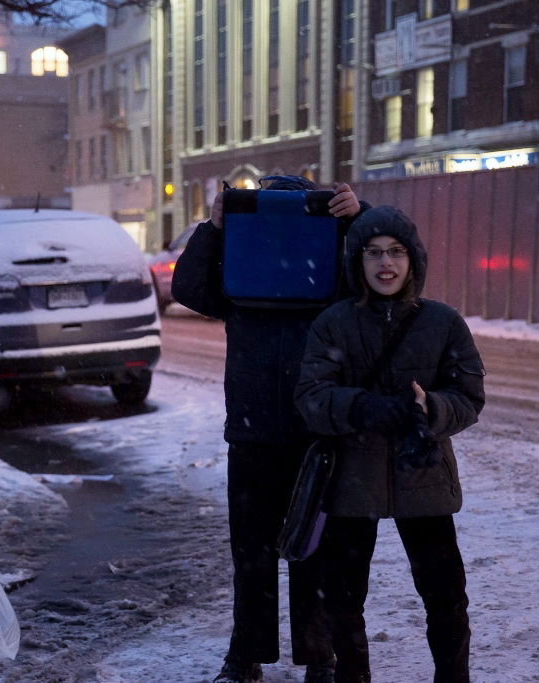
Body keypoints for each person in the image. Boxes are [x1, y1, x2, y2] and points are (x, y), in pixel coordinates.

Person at [172, 175, 369, 683]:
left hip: (313, 436)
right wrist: (214, 227)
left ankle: (318, 656)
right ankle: (247, 656)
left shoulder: (330, 279)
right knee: (252, 554)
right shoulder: (240, 279)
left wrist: (355, 220)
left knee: (313, 549)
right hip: (253, 433)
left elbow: (377, 283)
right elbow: (187, 287)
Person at [293, 205, 486, 683]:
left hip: (422, 474)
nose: (386, 264)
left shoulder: (442, 322)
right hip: (351, 481)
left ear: (412, 259)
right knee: (342, 597)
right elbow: (310, 397)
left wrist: (433, 410)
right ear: (357, 262)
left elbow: (470, 396)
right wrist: (360, 407)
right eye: (374, 253)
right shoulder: (333, 323)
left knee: (445, 595)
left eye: (396, 252)